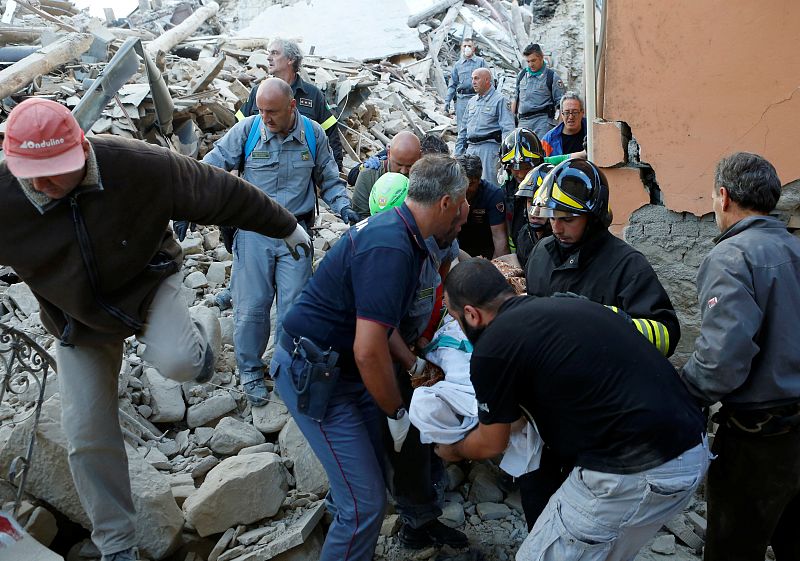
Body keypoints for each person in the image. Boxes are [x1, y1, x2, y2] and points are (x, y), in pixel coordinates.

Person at [0, 98, 309, 561]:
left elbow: (220, 191)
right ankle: (118, 546)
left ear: (82, 148)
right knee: (85, 433)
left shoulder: (136, 165)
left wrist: (286, 227)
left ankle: (202, 343)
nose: (42, 184)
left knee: (179, 362)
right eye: (31, 174)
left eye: (55, 170)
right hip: (77, 318)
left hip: (147, 282)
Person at [436, 258, 710, 561]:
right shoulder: (568, 307)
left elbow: (492, 442)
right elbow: (514, 419)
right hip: (690, 449)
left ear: (471, 314)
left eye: (452, 312)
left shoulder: (492, 348)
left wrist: (454, 449)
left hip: (635, 467)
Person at [272, 154, 469, 561]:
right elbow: (368, 349)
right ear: (446, 203)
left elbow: (381, 323)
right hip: (317, 374)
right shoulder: (392, 247)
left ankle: (338, 530)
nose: (468, 212)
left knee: (371, 479)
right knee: (365, 506)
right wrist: (396, 413)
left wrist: (413, 367)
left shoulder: (404, 231)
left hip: (338, 368)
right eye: (464, 202)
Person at [521, 158, 681, 529]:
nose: (556, 227)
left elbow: (667, 333)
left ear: (594, 217)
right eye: (552, 217)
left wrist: (605, 320)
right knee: (540, 512)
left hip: (600, 419)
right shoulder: (542, 255)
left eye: (567, 219)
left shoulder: (626, 266)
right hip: (545, 414)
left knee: (591, 525)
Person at [203, 78, 358, 406]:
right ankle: (250, 369)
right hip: (253, 232)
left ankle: (287, 366)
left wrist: (345, 208)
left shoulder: (313, 135)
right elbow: (210, 168)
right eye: (260, 110)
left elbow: (328, 179)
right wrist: (188, 203)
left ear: (292, 107)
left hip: (296, 234)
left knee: (296, 307)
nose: (265, 118)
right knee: (252, 307)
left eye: (271, 111)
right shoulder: (247, 131)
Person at [680, 152, 800, 561]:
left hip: (760, 439)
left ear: (724, 196)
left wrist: (684, 392)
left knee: (732, 550)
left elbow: (722, 359)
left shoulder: (732, 257)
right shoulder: (794, 248)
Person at [368, 172, 467, 549]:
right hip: (379, 351)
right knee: (397, 430)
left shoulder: (437, 236)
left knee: (414, 427)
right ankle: (410, 514)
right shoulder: (385, 252)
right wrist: (413, 364)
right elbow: (378, 331)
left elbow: (439, 283)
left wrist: (425, 339)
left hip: (410, 341)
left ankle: (421, 501)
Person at [236, 38, 344, 170]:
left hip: (300, 177)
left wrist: (335, 173)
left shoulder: (313, 95)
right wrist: (236, 167)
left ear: (291, 59)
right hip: (261, 173)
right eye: (269, 53)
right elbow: (238, 132)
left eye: (275, 53)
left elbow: (331, 135)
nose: (269, 58)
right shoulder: (258, 92)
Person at [455, 68, 514, 184]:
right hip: (470, 150)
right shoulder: (472, 101)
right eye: (472, 78)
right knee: (468, 185)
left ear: (487, 80)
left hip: (489, 150)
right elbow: (463, 130)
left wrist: (505, 155)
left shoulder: (500, 100)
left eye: (476, 78)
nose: (473, 82)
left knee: (489, 185)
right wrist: (458, 153)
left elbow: (508, 130)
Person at [352, 130, 421, 219]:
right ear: (388, 153)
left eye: (410, 166)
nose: (403, 171)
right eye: (398, 164)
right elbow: (359, 217)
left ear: (419, 157)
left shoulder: (423, 178)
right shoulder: (369, 174)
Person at [498, 128, 546, 248]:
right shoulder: (506, 189)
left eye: (525, 167)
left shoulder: (548, 187)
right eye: (515, 167)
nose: (520, 174)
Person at [456, 154, 509, 259]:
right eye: (462, 183)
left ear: (479, 180)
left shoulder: (493, 195)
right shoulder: (449, 192)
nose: (465, 189)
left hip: (486, 250)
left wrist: (498, 267)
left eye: (470, 184)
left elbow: (500, 238)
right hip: (457, 249)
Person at [512, 43, 565, 138]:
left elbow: (561, 104)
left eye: (533, 61)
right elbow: (515, 99)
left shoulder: (552, 77)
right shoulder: (522, 75)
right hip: (523, 123)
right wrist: (512, 122)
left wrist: (559, 129)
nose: (530, 64)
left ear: (541, 57)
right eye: (528, 61)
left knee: (541, 151)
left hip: (542, 123)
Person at [512, 163, 554, 269]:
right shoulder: (524, 234)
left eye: (542, 204)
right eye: (531, 202)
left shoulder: (562, 240)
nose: (535, 212)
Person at [444, 38, 487, 126]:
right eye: (465, 46)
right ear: (461, 48)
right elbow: (452, 85)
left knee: (477, 126)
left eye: (469, 46)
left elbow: (488, 81)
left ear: (473, 48)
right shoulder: (457, 65)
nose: (467, 48)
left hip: (477, 98)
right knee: (462, 127)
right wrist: (447, 101)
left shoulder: (481, 62)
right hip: (461, 100)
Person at [541, 91, 587, 158]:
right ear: (562, 114)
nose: (571, 117)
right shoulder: (549, 140)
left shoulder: (592, 132)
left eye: (575, 112)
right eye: (567, 113)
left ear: (582, 113)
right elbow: (542, 163)